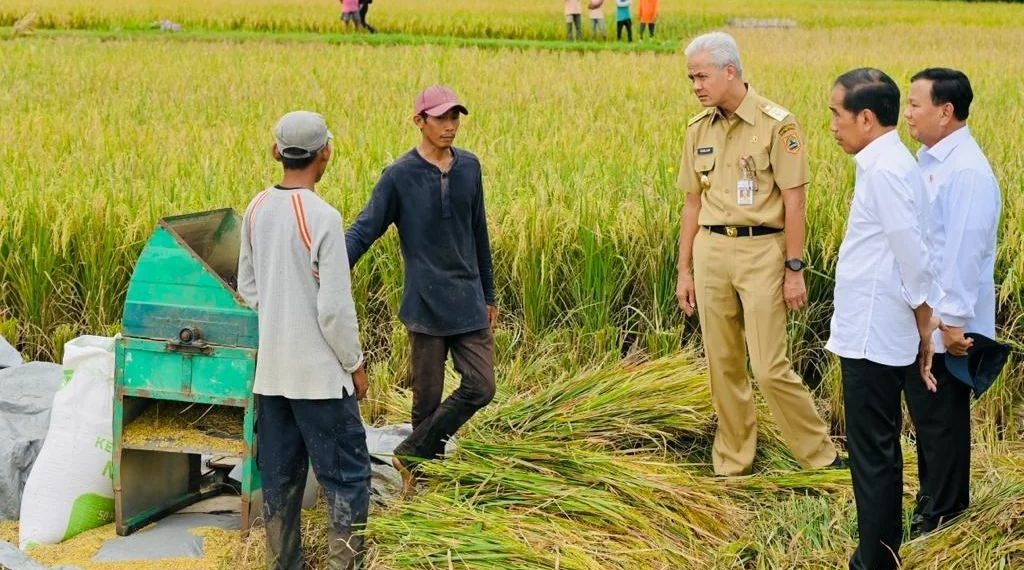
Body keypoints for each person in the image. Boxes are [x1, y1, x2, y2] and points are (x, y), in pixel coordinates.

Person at [675, 32, 841, 477]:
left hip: (762, 251)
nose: (696, 86)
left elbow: (795, 202)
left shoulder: (777, 125)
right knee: (722, 363)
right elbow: (692, 202)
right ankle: (734, 461)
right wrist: (684, 268)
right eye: (691, 78)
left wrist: (794, 268)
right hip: (711, 250)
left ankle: (819, 457)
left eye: (702, 76)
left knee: (769, 366)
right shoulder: (698, 129)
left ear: (731, 71)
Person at [346, 86, 497, 495]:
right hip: (425, 306)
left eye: (456, 118)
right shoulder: (399, 177)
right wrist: (330, 263)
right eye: (442, 118)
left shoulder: (470, 168)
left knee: (481, 386)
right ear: (420, 122)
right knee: (425, 403)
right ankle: (421, 482)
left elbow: (478, 231)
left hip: (467, 300)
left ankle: (410, 452)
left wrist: (489, 294)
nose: (450, 126)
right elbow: (365, 229)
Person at [238, 111, 371, 570]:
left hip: (272, 379)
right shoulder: (324, 218)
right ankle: (342, 565)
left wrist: (281, 318)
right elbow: (334, 310)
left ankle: (283, 563)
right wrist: (355, 364)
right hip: (318, 381)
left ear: (277, 152)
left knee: (280, 479)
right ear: (325, 154)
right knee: (347, 478)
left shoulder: (255, 209)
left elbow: (249, 289)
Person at [826, 68, 940, 570]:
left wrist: (924, 321)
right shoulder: (886, 162)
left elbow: (911, 252)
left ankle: (874, 559)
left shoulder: (887, 170)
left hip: (873, 333)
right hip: (872, 326)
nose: (831, 125)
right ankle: (879, 550)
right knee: (878, 447)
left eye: (836, 113)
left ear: (866, 118)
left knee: (872, 451)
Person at [903, 68, 1000, 537]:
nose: (907, 115)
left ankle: (943, 514)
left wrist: (954, 322)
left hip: (948, 324)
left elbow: (965, 249)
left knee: (942, 420)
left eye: (915, 105)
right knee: (929, 415)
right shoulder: (931, 160)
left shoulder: (967, 171)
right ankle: (933, 502)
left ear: (946, 111)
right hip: (931, 318)